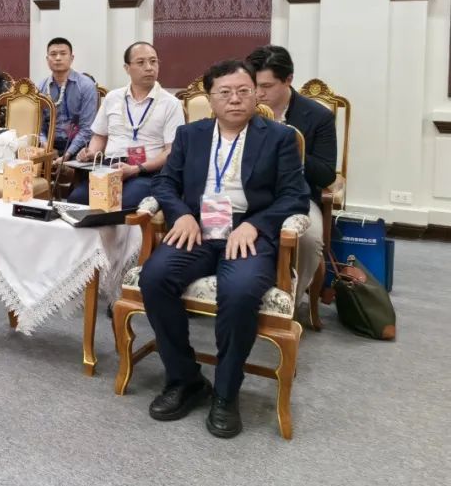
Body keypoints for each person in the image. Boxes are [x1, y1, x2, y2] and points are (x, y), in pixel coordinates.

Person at [138, 59, 309, 438]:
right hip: (197, 228)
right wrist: (181, 214)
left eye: (243, 91)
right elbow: (165, 183)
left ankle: (227, 393)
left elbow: (295, 196)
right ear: (210, 98)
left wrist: (255, 224)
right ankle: (185, 379)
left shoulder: (278, 137)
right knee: (155, 277)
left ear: (255, 94)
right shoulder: (190, 135)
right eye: (225, 93)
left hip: (249, 231)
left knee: (240, 290)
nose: (235, 99)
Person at [247, 45, 337, 313]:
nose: (258, 94)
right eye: (253, 85)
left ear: (288, 80)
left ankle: (287, 307)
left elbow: (325, 173)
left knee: (308, 240)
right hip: (248, 192)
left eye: (266, 86)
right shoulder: (243, 108)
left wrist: (289, 143)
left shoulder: (318, 116)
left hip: (297, 195)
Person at [70, 42, 184, 208]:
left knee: (123, 203)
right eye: (141, 62)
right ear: (127, 68)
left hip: (147, 172)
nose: (149, 67)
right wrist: (91, 152)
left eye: (153, 61)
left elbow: (171, 151)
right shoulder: (112, 98)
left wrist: (136, 169)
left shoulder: (170, 103)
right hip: (111, 168)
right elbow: (100, 136)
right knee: (77, 199)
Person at [37, 37, 98, 167]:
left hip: (79, 146)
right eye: (53, 54)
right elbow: (38, 126)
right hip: (49, 145)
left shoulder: (86, 85)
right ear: (47, 59)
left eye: (63, 53)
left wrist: (68, 154)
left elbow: (87, 128)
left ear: (71, 58)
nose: (58, 58)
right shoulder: (41, 87)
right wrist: (46, 146)